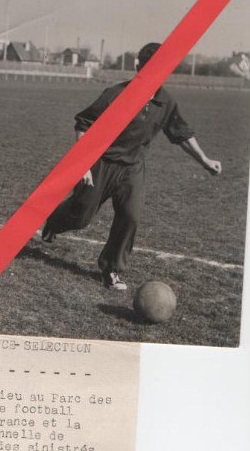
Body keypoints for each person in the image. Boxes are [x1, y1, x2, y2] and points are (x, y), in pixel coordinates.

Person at [42, 42, 222, 290]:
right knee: (80, 216)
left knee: (130, 216)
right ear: (141, 66)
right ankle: (54, 222)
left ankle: (111, 269)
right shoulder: (116, 94)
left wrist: (205, 160)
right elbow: (83, 124)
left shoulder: (165, 102)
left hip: (132, 168)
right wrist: (81, 164)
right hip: (101, 163)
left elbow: (182, 134)